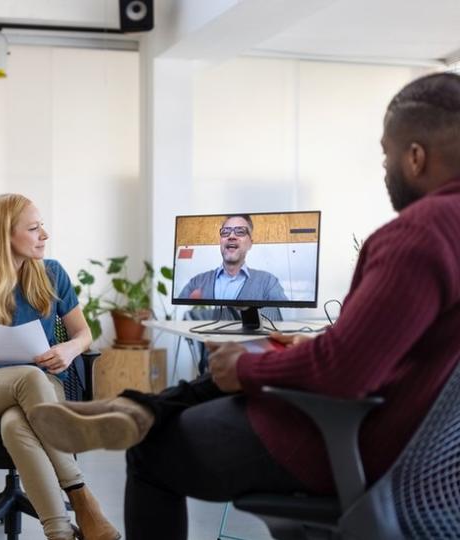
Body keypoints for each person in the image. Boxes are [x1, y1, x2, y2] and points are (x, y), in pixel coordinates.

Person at [29, 71, 460, 540]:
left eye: (386, 154)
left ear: (415, 157)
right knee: (250, 357)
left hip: (349, 442)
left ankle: (138, 413)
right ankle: (135, 407)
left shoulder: (422, 232)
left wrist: (251, 371)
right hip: (428, 455)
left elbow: (345, 372)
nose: (385, 168)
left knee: (152, 450)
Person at [0, 193, 119, 540]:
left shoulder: (52, 273)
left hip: (44, 385)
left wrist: (70, 349)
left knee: (16, 424)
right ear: (4, 235)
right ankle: (81, 495)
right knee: (28, 378)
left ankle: (59, 532)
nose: (44, 235)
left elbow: (83, 333)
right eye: (34, 228)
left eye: (41, 226)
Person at [177, 214, 288, 303]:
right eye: (225, 232)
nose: (231, 236)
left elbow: (280, 322)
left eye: (240, 231)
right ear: (220, 241)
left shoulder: (268, 283)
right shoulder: (197, 282)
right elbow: (179, 319)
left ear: (250, 243)